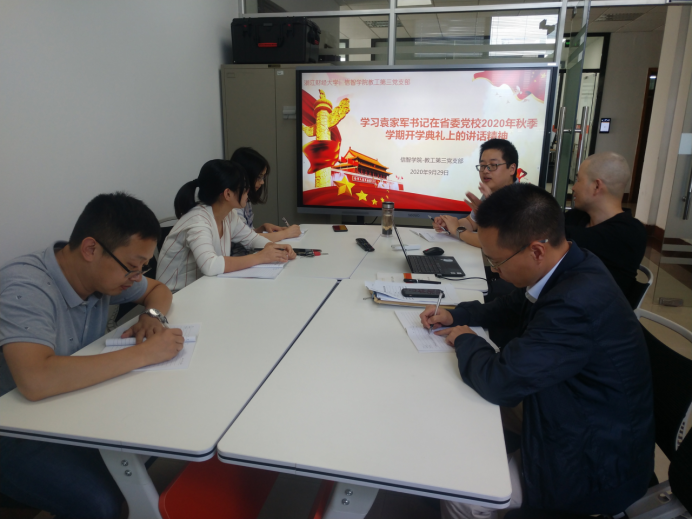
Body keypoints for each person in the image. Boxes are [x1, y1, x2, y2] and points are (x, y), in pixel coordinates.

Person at [421, 183, 654, 518]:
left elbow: (500, 381)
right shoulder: (569, 263)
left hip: (594, 462)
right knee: (457, 409)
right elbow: (512, 305)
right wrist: (458, 315)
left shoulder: (575, 303)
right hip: (566, 408)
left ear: (536, 251)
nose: (495, 270)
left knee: (464, 496)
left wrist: (465, 338)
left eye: (496, 260)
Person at [0, 192, 183, 519]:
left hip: (71, 405)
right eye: (132, 267)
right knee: (100, 503)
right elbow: (35, 380)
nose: (136, 277)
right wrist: (145, 354)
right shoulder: (26, 286)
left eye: (142, 267)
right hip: (15, 428)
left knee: (158, 439)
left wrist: (152, 316)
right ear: (90, 249)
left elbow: (159, 290)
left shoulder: (103, 275)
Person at [156, 159, 296, 292]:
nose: (249, 191)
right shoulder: (198, 221)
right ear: (228, 194)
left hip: (204, 287)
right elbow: (210, 265)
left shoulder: (229, 215)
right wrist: (260, 257)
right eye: (245, 188)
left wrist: (276, 249)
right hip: (176, 295)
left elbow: (252, 239)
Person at [567, 152, 647, 307]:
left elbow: (556, 234)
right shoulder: (578, 217)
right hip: (565, 301)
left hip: (595, 315)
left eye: (578, 180)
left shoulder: (629, 232)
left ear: (597, 186)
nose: (574, 187)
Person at [433, 139, 519, 248]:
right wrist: (449, 224)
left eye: (493, 165)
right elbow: (471, 222)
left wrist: (457, 230)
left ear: (512, 169)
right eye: (482, 165)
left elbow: (496, 243)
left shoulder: (523, 200)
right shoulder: (491, 193)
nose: (485, 171)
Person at [229, 147, 301, 256]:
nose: (262, 182)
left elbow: (245, 235)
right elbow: (248, 239)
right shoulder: (233, 207)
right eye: (259, 177)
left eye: (263, 177)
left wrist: (261, 228)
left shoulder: (244, 200)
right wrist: (286, 234)